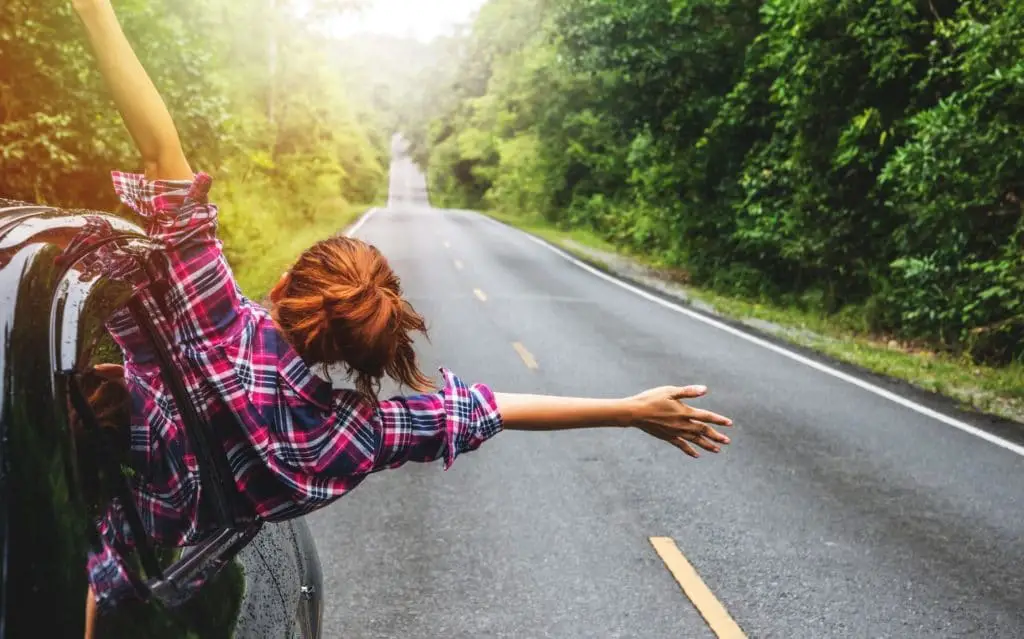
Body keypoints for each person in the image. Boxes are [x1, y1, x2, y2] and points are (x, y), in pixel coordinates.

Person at [70, 0, 734, 619]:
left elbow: (161, 150)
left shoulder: (215, 317)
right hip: (110, 589)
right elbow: (487, 410)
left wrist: (91, 7)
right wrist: (629, 410)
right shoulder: (351, 439)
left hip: (76, 563)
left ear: (282, 284)